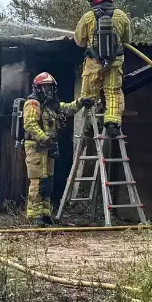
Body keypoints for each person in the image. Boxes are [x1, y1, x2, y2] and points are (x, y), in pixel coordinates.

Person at [23, 72, 91, 225]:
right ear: (38, 88)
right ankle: (34, 216)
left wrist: (81, 102)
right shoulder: (33, 104)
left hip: (48, 146)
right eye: (45, 87)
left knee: (48, 181)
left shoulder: (51, 105)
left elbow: (67, 108)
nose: (48, 90)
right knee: (37, 181)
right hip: (36, 147)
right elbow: (30, 125)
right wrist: (46, 140)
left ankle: (45, 215)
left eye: (50, 87)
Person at [74, 0, 132, 136]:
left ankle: (88, 126)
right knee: (113, 93)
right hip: (115, 64)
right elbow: (127, 40)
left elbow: (79, 41)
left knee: (88, 96)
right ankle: (112, 122)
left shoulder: (87, 17)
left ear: (94, 0)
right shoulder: (122, 16)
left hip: (93, 63)